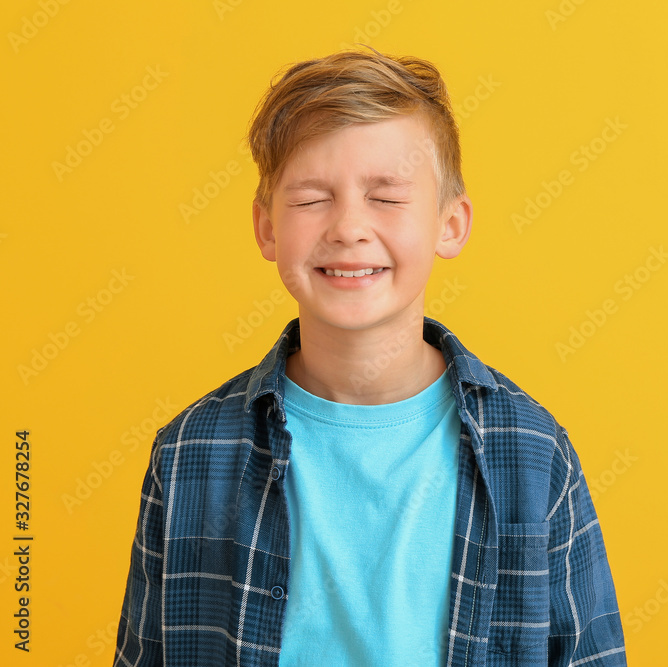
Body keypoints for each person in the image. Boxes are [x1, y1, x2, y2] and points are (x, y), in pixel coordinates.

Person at [114, 46, 626, 666]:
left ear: (450, 224)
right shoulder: (189, 451)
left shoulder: (533, 453)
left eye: (386, 197)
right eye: (311, 199)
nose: (348, 228)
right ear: (267, 227)